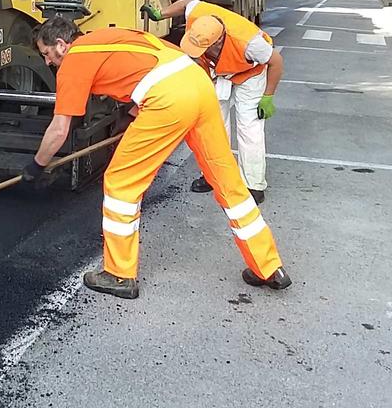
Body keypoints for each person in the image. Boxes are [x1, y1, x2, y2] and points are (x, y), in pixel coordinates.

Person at [23, 16, 291, 299]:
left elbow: (59, 128)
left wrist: (37, 164)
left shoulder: (75, 60)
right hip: (198, 85)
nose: (49, 62)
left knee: (121, 182)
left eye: (47, 54)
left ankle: (119, 274)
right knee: (228, 182)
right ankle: (268, 266)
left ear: (62, 45)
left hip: (169, 99)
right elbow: (152, 67)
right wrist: (132, 116)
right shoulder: (107, 36)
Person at [142, 0, 284, 203]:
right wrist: (160, 14)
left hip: (250, 74)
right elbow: (187, 3)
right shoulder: (198, 16)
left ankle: (254, 185)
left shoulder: (251, 43)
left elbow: (276, 62)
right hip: (219, 71)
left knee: (249, 128)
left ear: (218, 41)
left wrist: (268, 96)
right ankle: (214, 176)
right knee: (214, 124)